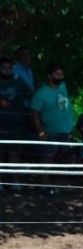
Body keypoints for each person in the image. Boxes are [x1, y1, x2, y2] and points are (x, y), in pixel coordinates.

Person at [29, 62, 75, 188]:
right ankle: (45, 186)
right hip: (50, 132)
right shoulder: (41, 93)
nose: (60, 77)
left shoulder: (63, 86)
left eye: (61, 74)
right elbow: (34, 113)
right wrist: (40, 131)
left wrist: (71, 125)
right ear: (49, 76)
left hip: (66, 131)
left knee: (64, 159)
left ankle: (60, 185)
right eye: (57, 74)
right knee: (47, 159)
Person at [0, 56, 33, 191]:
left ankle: (15, 180)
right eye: (4, 68)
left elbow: (29, 93)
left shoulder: (18, 81)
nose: (7, 70)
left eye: (9, 68)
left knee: (15, 153)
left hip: (17, 124)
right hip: (1, 125)